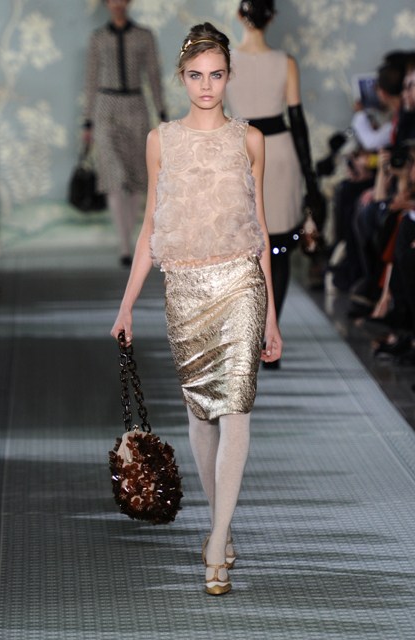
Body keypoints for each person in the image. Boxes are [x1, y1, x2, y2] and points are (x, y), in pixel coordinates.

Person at [110, 22, 282, 595]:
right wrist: (127, 305)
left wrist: (271, 316)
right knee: (200, 415)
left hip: (240, 284)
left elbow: (260, 231)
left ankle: (218, 538)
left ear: (229, 77)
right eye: (195, 76)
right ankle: (219, 525)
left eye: (216, 75)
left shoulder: (249, 139)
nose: (206, 86)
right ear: (181, 78)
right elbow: (150, 229)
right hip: (184, 289)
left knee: (235, 409)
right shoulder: (161, 140)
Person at [225, 0, 324, 368]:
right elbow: (297, 122)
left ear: (239, 15)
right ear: (273, 17)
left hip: (240, 150)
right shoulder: (286, 62)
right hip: (279, 153)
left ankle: (248, 336)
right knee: (278, 248)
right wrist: (310, 177)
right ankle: (271, 336)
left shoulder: (225, 62)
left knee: (243, 248)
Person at [83, 0, 166, 267]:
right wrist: (87, 122)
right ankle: (124, 244)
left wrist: (161, 112)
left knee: (135, 177)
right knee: (114, 176)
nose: (117, 4)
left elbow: (153, 75)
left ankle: (130, 239)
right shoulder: (98, 38)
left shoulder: (144, 36)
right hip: (105, 107)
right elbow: (91, 79)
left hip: (135, 106)